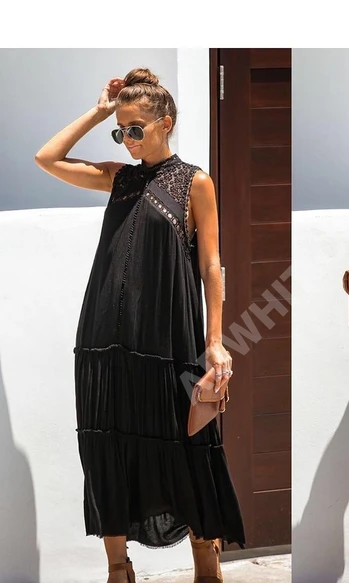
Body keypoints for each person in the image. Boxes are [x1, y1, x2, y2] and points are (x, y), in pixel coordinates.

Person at [35, 68, 245, 583]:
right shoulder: (119, 179)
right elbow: (47, 158)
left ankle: (207, 565)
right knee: (108, 446)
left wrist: (215, 341)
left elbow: (211, 265)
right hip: (105, 338)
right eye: (120, 131)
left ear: (165, 123)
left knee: (186, 444)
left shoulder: (194, 182)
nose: (127, 140)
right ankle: (118, 568)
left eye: (135, 129)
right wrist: (100, 111)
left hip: (168, 337)